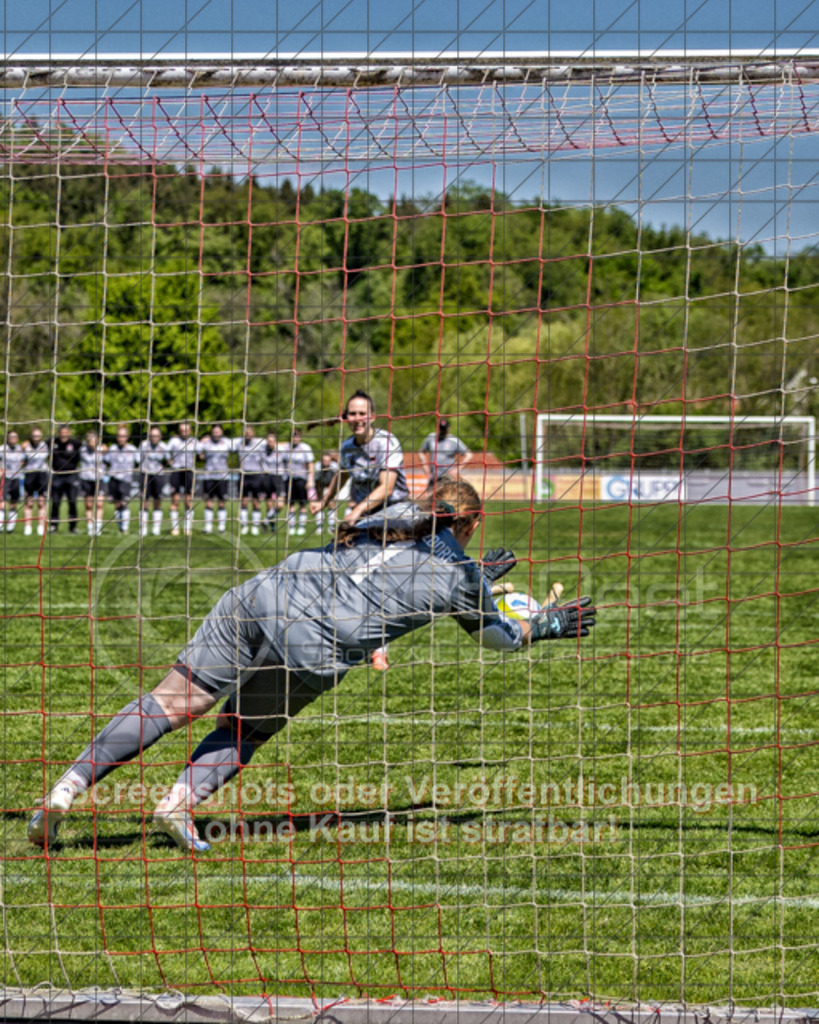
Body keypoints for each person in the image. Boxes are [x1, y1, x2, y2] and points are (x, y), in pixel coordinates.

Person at [27, 479, 596, 854]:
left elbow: (399, 561)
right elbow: (496, 637)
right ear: (470, 524)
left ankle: (66, 788)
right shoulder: (462, 578)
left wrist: (474, 574)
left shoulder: (394, 514)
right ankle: (177, 805)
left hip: (266, 593)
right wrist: (541, 625)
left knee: (170, 703)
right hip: (312, 644)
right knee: (242, 727)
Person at [311, 389, 410, 669]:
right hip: (365, 515)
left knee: (379, 581)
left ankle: (379, 650)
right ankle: (339, 638)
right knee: (340, 572)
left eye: (361, 413)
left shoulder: (386, 442)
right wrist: (323, 502)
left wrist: (355, 510)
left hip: (396, 514)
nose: (356, 418)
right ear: (346, 417)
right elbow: (340, 476)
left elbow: (387, 487)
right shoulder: (347, 447)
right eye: (351, 413)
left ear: (372, 416)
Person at [104, 425, 139, 534]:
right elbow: (106, 461)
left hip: (126, 479)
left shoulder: (132, 449)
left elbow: (139, 461)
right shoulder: (112, 448)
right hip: (114, 478)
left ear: (127, 437)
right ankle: (120, 527)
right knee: (117, 504)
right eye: (119, 436)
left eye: (123, 436)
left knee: (124, 502)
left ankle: (125, 527)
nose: (121, 438)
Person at [419, 418, 472, 488]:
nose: (443, 431)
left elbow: (468, 454)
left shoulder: (453, 440)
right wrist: (426, 469)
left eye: (444, 429)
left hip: (448, 478)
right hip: (434, 478)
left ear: (448, 428)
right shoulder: (431, 438)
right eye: (441, 428)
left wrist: (457, 469)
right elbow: (421, 452)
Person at [281, 428, 315, 536]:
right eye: (293, 436)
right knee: (290, 504)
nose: (295, 438)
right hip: (289, 479)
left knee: (302, 504)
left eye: (297, 436)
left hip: (301, 479)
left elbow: (310, 465)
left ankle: (301, 527)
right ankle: (291, 526)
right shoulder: (286, 448)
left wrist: (310, 480)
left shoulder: (305, 448)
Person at [235, 425, 268, 536]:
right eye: (246, 433)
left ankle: (255, 526)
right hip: (243, 474)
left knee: (255, 501)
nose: (247, 434)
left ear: (253, 433)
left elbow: (273, 442)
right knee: (243, 501)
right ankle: (244, 525)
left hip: (256, 474)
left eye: (249, 432)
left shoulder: (260, 443)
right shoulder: (238, 443)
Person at [199, 424, 232, 534]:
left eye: (218, 431)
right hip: (209, 476)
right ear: (211, 433)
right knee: (208, 502)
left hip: (222, 477)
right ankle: (208, 526)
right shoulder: (205, 443)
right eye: (214, 432)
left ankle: (221, 527)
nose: (216, 433)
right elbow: (197, 451)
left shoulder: (227, 442)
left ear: (221, 432)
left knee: (222, 502)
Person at [49, 424, 82, 534]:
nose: (63, 435)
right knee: (56, 502)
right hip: (57, 475)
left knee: (72, 501)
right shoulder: (52, 443)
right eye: (61, 433)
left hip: (71, 476)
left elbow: (91, 445)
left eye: (65, 433)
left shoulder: (76, 444)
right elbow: (38, 443)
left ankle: (73, 527)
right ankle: (53, 525)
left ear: (69, 433)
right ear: (59, 433)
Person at [167, 421, 198, 536]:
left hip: (189, 471)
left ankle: (187, 528)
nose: (184, 432)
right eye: (182, 430)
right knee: (175, 500)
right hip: (176, 471)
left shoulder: (194, 441)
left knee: (188, 500)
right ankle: (174, 528)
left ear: (190, 431)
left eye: (186, 430)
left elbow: (201, 452)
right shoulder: (173, 441)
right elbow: (165, 451)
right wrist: (169, 460)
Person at [139, 426, 168, 537]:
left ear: (160, 436)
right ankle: (143, 528)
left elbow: (169, 459)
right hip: (145, 474)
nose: (154, 437)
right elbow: (137, 459)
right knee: (144, 501)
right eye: (152, 435)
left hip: (158, 475)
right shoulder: (143, 445)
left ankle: (156, 528)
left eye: (156, 435)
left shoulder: (164, 446)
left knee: (157, 501)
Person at [22, 427, 49, 537]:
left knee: (41, 501)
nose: (36, 437)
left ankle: (40, 526)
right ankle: (27, 526)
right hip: (30, 474)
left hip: (42, 474)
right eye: (34, 435)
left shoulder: (46, 445)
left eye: (38, 435)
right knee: (29, 501)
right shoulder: (25, 446)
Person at [79, 431, 106, 536]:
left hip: (99, 479)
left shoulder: (102, 450)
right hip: (86, 479)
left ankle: (98, 527)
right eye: (90, 439)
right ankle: (90, 527)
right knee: (89, 504)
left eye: (94, 439)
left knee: (99, 503)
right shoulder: (82, 450)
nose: (92, 441)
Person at [0, 429, 26, 533]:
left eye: (15, 436)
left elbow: (24, 460)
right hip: (5, 478)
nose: (12, 439)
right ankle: (0, 526)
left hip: (16, 478)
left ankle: (11, 528)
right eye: (11, 436)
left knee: (13, 503)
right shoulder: (2, 449)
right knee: (2, 503)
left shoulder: (21, 449)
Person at [261, 430, 284, 532]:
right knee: (269, 502)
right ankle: (272, 525)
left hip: (278, 477)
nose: (270, 443)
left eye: (272, 441)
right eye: (268, 441)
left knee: (280, 504)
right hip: (267, 476)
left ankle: (266, 520)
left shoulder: (282, 450)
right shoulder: (262, 449)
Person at [314, 451, 340, 530]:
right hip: (320, 487)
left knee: (331, 504)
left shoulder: (334, 467)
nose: (326, 462)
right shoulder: (318, 466)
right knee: (320, 504)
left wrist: (330, 490)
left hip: (331, 487)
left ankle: (331, 526)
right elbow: (316, 480)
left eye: (328, 460)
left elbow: (337, 479)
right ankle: (319, 526)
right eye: (324, 460)